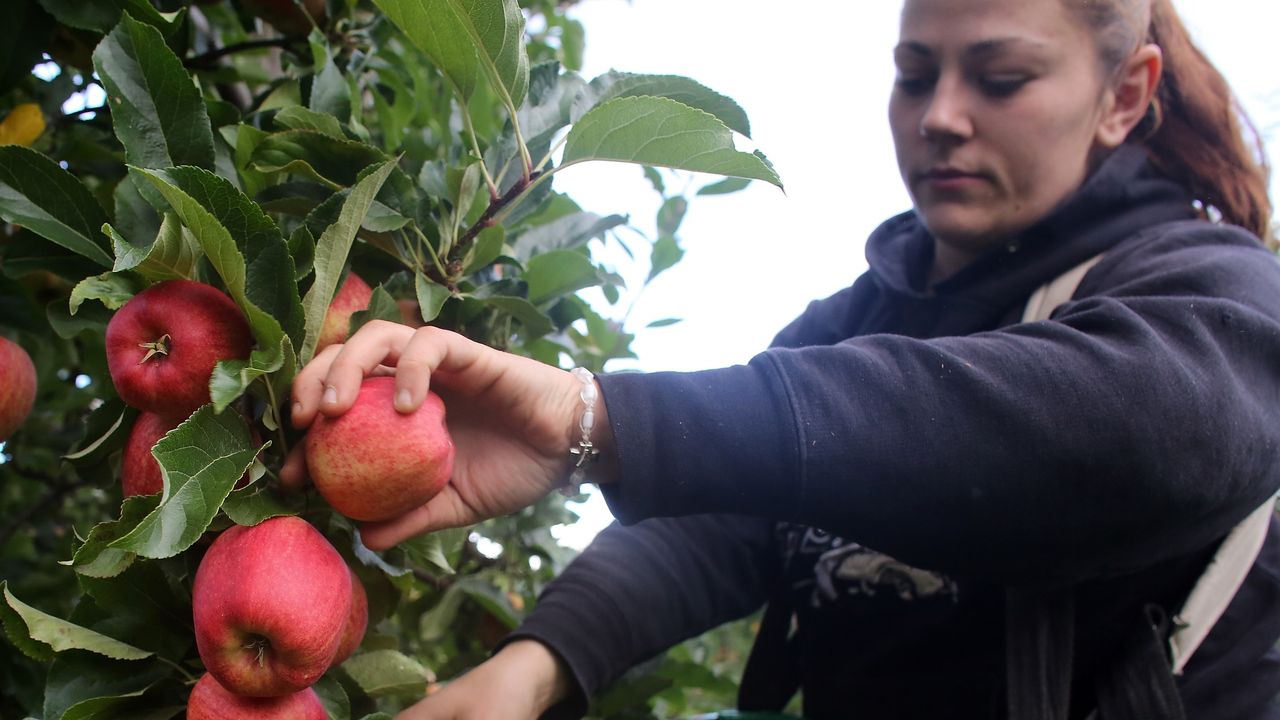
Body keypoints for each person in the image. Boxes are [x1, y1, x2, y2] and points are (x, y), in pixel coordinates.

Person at [284, 0, 1280, 717]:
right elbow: (732, 519)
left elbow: (1136, 430)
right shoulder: (851, 324)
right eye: (913, 73)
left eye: (1000, 77)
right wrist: (534, 664)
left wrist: (606, 420)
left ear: (1122, 96)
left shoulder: (1202, 286)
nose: (938, 115)